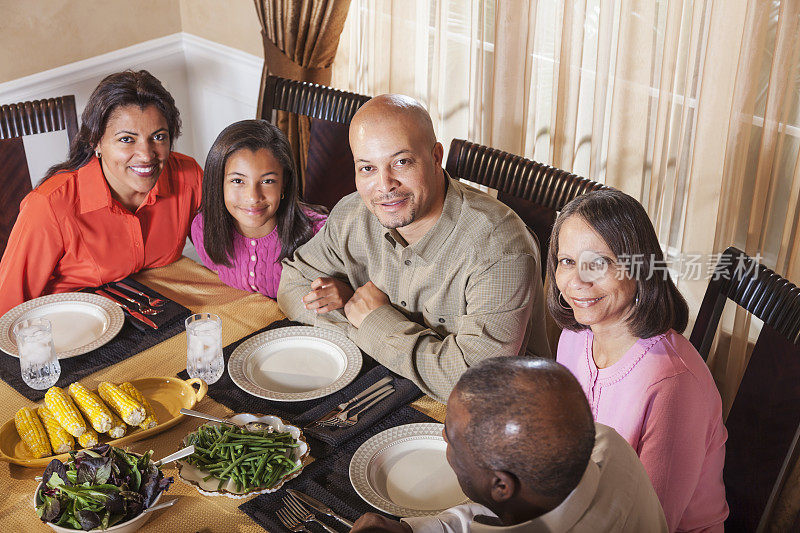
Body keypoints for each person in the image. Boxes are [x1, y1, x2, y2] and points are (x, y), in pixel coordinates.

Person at [277, 94, 550, 403]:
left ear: (436, 157)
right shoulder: (353, 213)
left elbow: (476, 384)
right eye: (367, 168)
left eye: (401, 162)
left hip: (492, 414)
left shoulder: (500, 249)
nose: (385, 185)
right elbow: (291, 285)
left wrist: (373, 323)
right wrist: (356, 316)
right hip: (377, 388)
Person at [548, 189, 728, 532]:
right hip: (579, 507)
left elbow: (647, 522)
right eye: (567, 261)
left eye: (598, 263)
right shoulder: (574, 337)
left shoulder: (673, 381)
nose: (577, 282)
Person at [351, 356, 668, 533]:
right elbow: (489, 517)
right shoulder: (606, 443)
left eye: (453, 439)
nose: (443, 436)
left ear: (501, 485)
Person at [0, 70, 202, 316]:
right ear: (96, 142)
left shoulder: (188, 175)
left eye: (158, 137)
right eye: (127, 139)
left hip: (157, 315)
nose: (147, 155)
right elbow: (7, 309)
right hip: (69, 328)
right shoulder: (50, 206)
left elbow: (221, 251)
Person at [190, 120, 326, 298]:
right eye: (238, 181)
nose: (253, 197)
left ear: (284, 183)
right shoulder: (204, 228)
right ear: (218, 182)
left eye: (267, 181)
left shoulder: (320, 236)